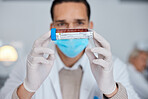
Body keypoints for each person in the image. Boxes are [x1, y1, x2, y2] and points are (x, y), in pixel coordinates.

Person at [0, 0, 139, 99]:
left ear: (90, 26)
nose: (71, 31)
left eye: (79, 23)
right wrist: (27, 89)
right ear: (52, 28)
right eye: (61, 23)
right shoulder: (27, 65)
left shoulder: (114, 66)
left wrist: (112, 91)